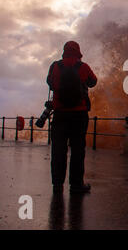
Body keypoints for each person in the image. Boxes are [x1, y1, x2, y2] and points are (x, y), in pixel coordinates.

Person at [47, 41, 97, 194]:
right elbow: (93, 82)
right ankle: (76, 185)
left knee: (58, 150)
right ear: (78, 52)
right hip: (79, 114)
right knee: (77, 151)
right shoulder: (83, 67)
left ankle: (57, 184)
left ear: (64, 51)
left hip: (60, 114)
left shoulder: (55, 66)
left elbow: (49, 82)